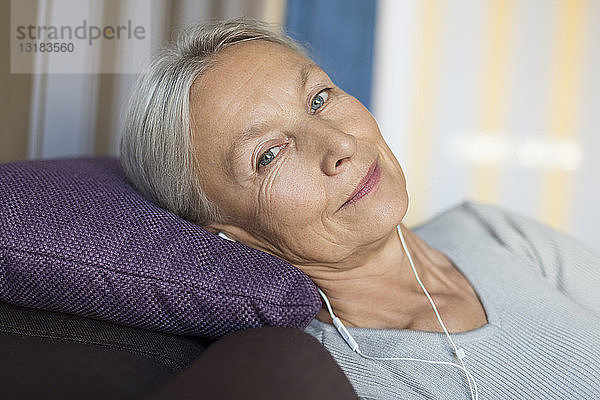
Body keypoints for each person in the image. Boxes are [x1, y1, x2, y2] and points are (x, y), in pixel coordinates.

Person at [120, 18, 600, 400]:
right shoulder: (330, 375)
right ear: (230, 232)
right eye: (268, 154)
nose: (340, 144)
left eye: (319, 98)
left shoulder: (487, 229)